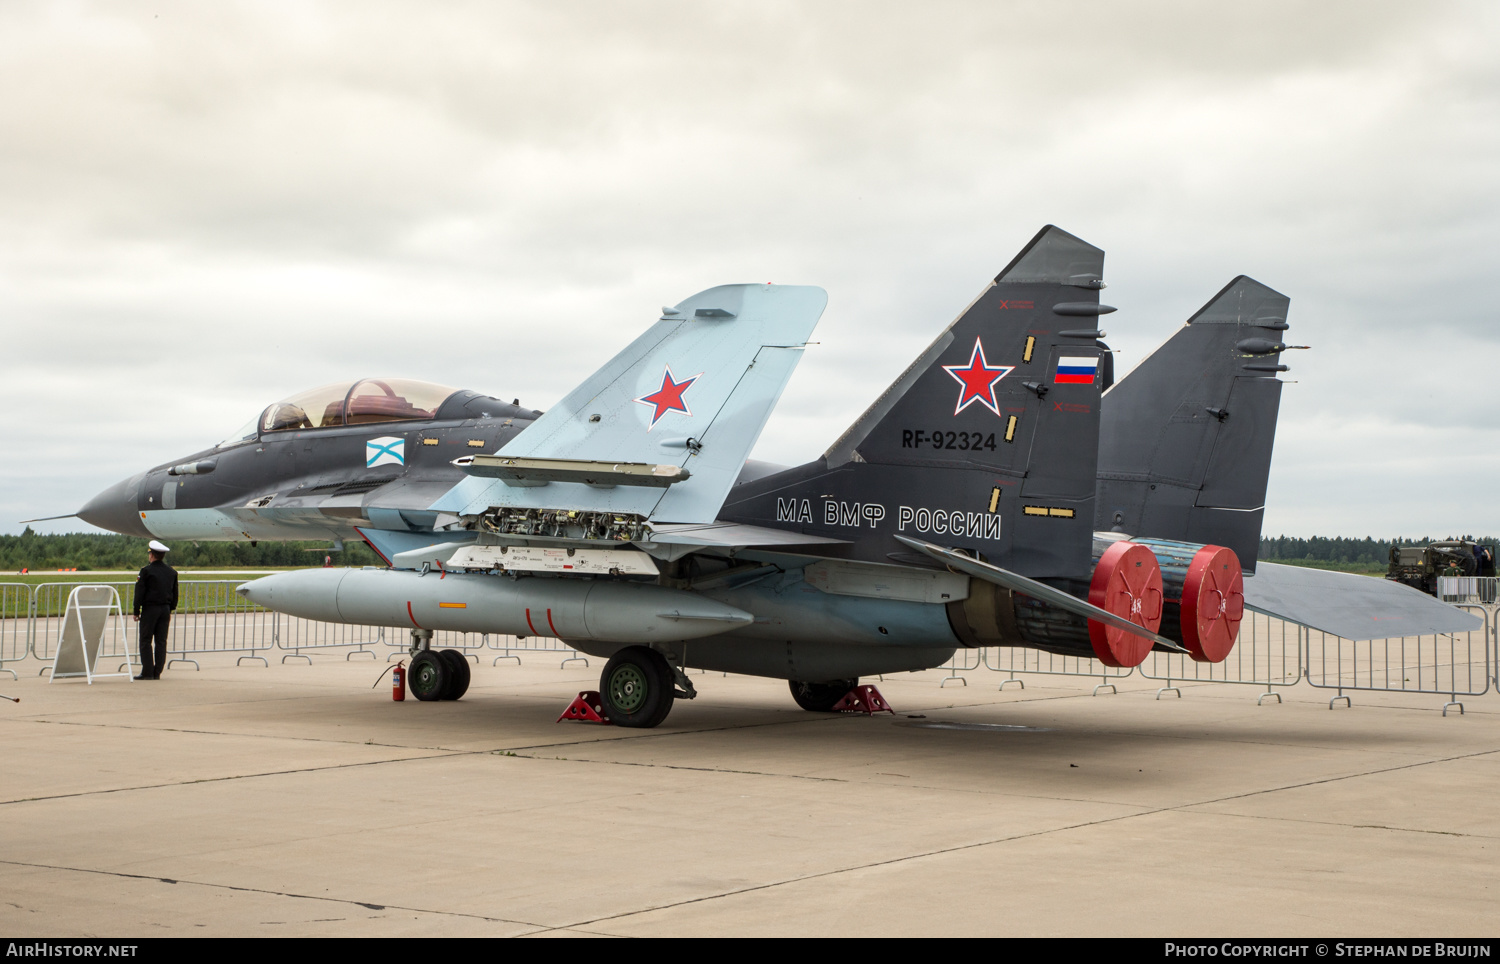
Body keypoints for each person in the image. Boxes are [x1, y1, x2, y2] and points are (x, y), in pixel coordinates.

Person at [132, 540, 178, 680]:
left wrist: (136, 610)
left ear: (151, 555)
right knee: (161, 641)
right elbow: (175, 593)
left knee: (145, 640)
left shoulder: (146, 571)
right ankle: (157, 671)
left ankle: (147, 672)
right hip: (164, 609)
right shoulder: (171, 572)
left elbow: (139, 592)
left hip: (150, 609)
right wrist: (170, 609)